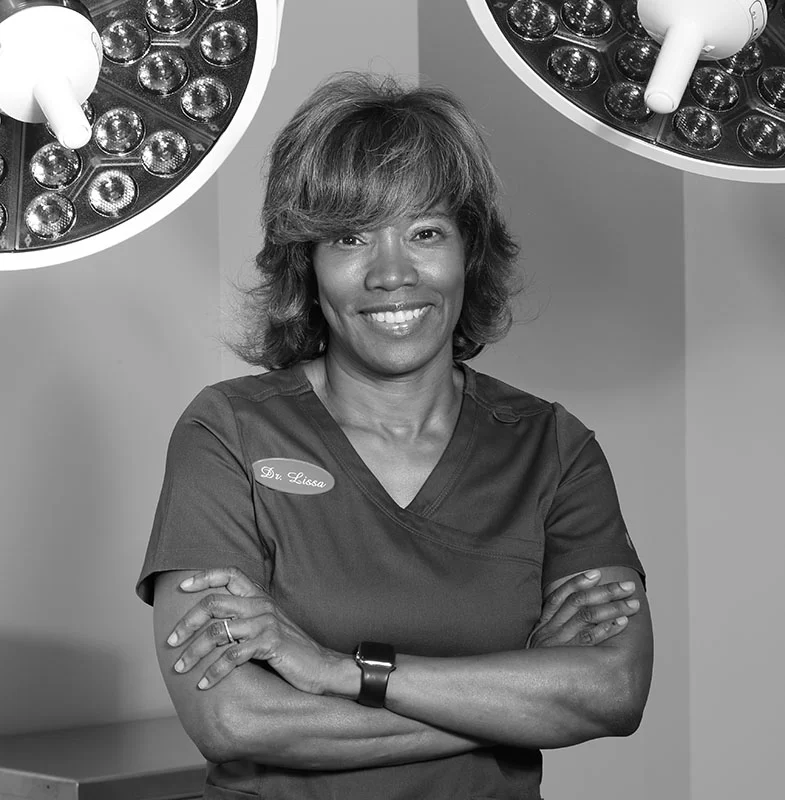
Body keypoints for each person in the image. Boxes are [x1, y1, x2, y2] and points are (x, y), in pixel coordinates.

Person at [136, 72, 653, 800]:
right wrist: (518, 701)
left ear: (468, 251)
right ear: (304, 262)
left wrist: (343, 671)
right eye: (348, 237)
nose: (391, 273)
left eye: (424, 232)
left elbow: (616, 690)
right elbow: (234, 720)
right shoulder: (229, 432)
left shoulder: (552, 449)